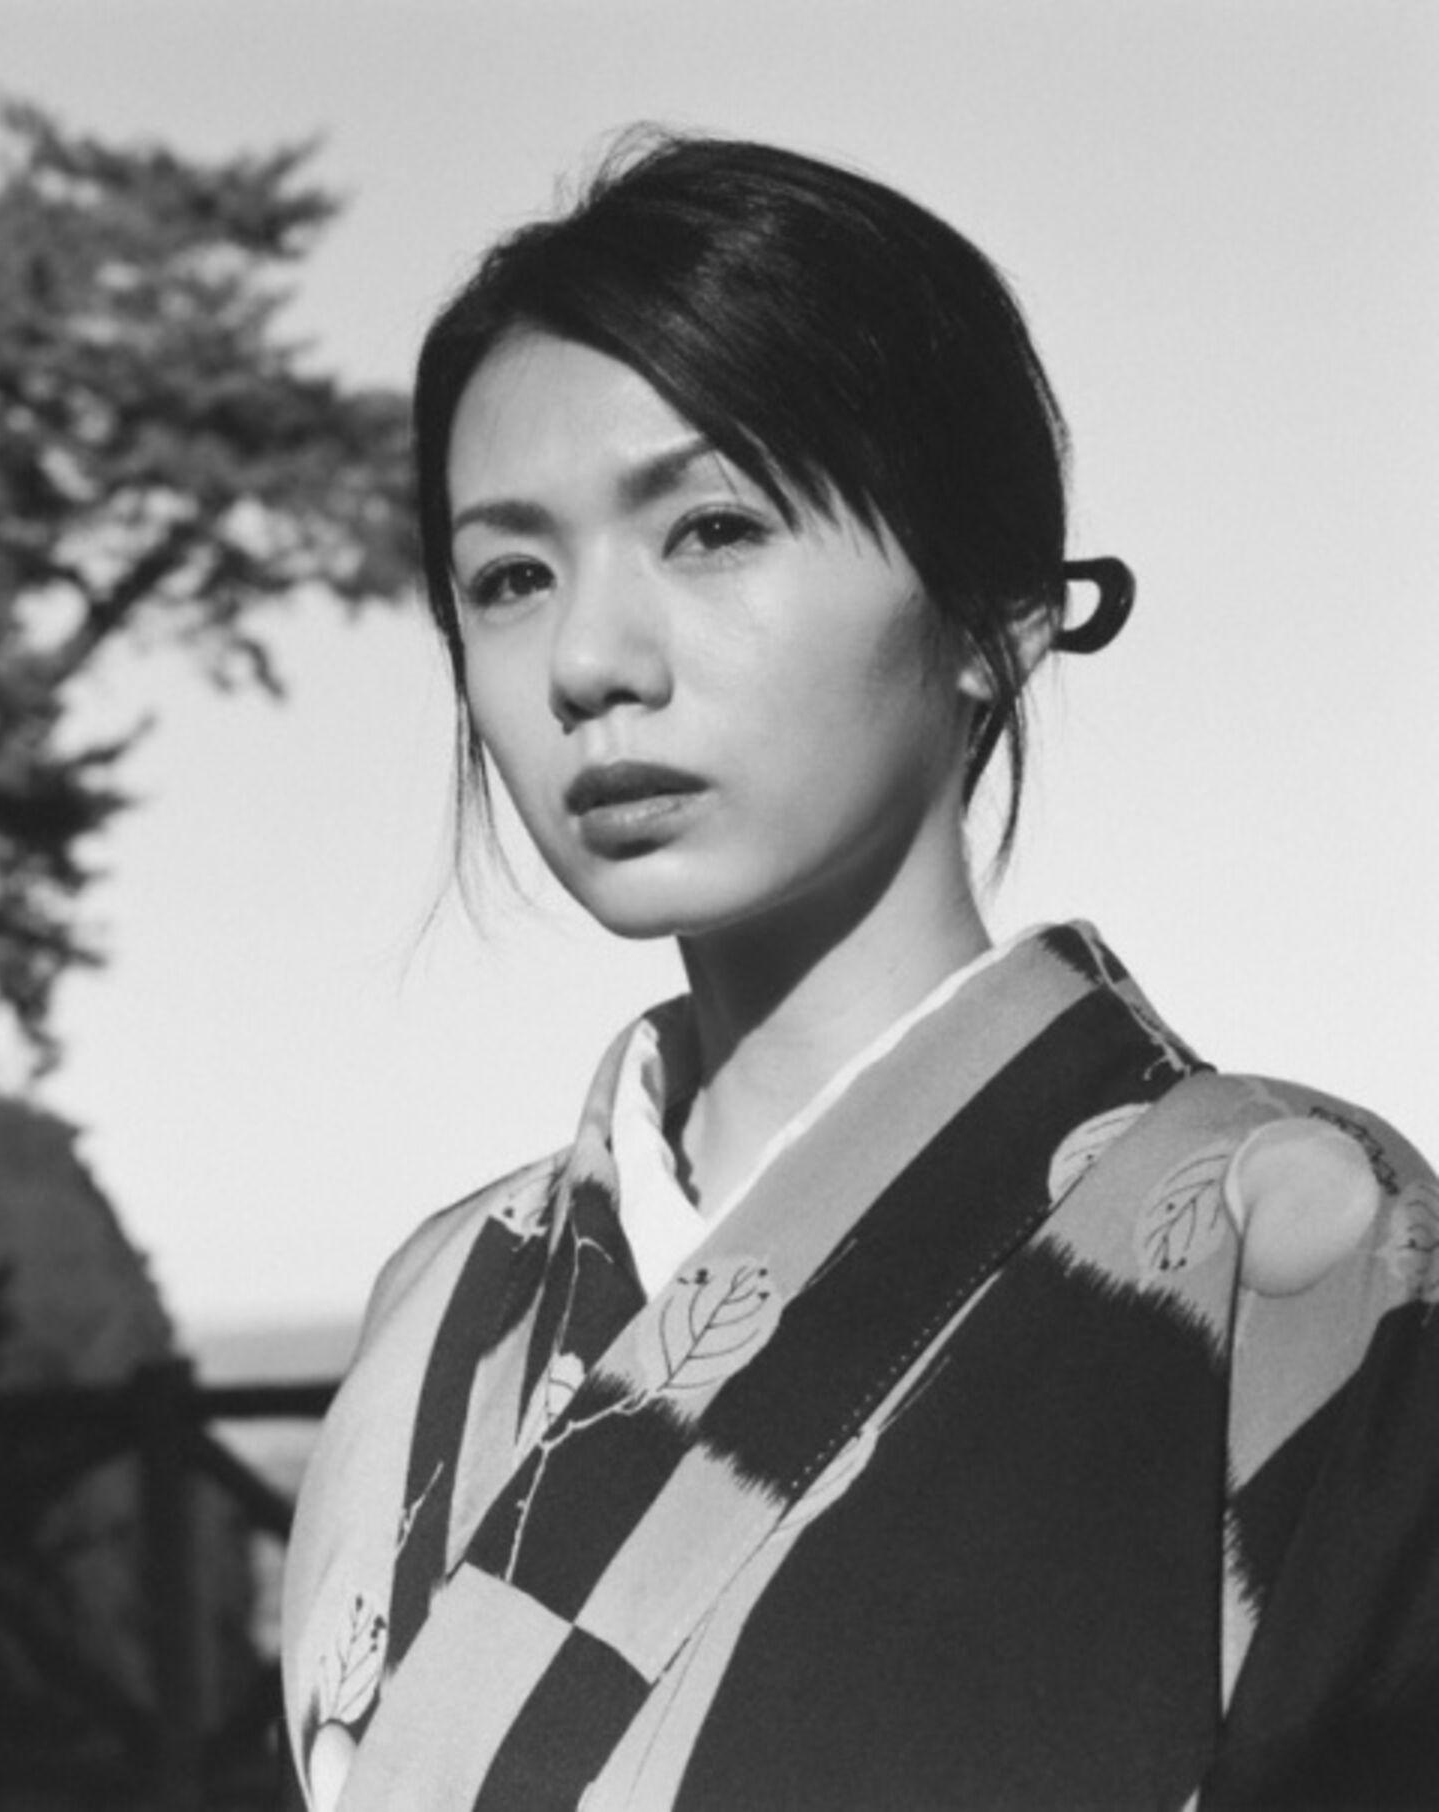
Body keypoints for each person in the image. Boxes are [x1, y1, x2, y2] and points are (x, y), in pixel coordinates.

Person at [280, 133, 1439, 1810]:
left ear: (993, 612)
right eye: (510, 577)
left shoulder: (1294, 1242)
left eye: (712, 528)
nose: (589, 661)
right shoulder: (442, 1306)